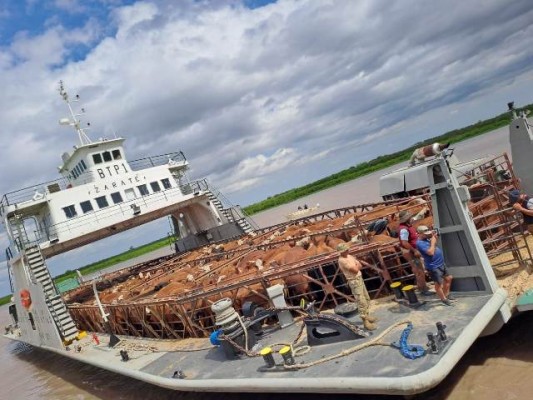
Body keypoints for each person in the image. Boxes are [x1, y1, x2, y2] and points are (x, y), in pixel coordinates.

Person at [337, 243, 378, 330]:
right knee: (361, 301)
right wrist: (357, 266)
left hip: (359, 278)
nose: (348, 250)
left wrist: (357, 266)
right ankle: (365, 322)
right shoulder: (342, 260)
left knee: (366, 298)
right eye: (346, 250)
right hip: (354, 281)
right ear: (342, 251)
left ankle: (367, 316)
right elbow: (355, 270)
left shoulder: (349, 256)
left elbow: (359, 265)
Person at [415, 225, 454, 306]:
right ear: (419, 234)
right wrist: (433, 242)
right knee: (438, 284)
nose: (427, 234)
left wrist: (434, 237)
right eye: (425, 234)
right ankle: (443, 299)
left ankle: (446, 294)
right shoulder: (419, 243)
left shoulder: (427, 239)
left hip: (440, 263)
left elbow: (434, 243)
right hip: (433, 266)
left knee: (449, 278)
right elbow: (430, 252)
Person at [397, 210, 432, 295]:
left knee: (418, 270)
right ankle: (423, 290)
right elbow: (404, 242)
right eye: (410, 217)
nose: (411, 218)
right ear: (407, 219)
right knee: (419, 270)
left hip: (411, 250)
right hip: (410, 252)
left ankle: (422, 287)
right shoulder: (404, 229)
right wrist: (414, 250)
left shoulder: (407, 227)